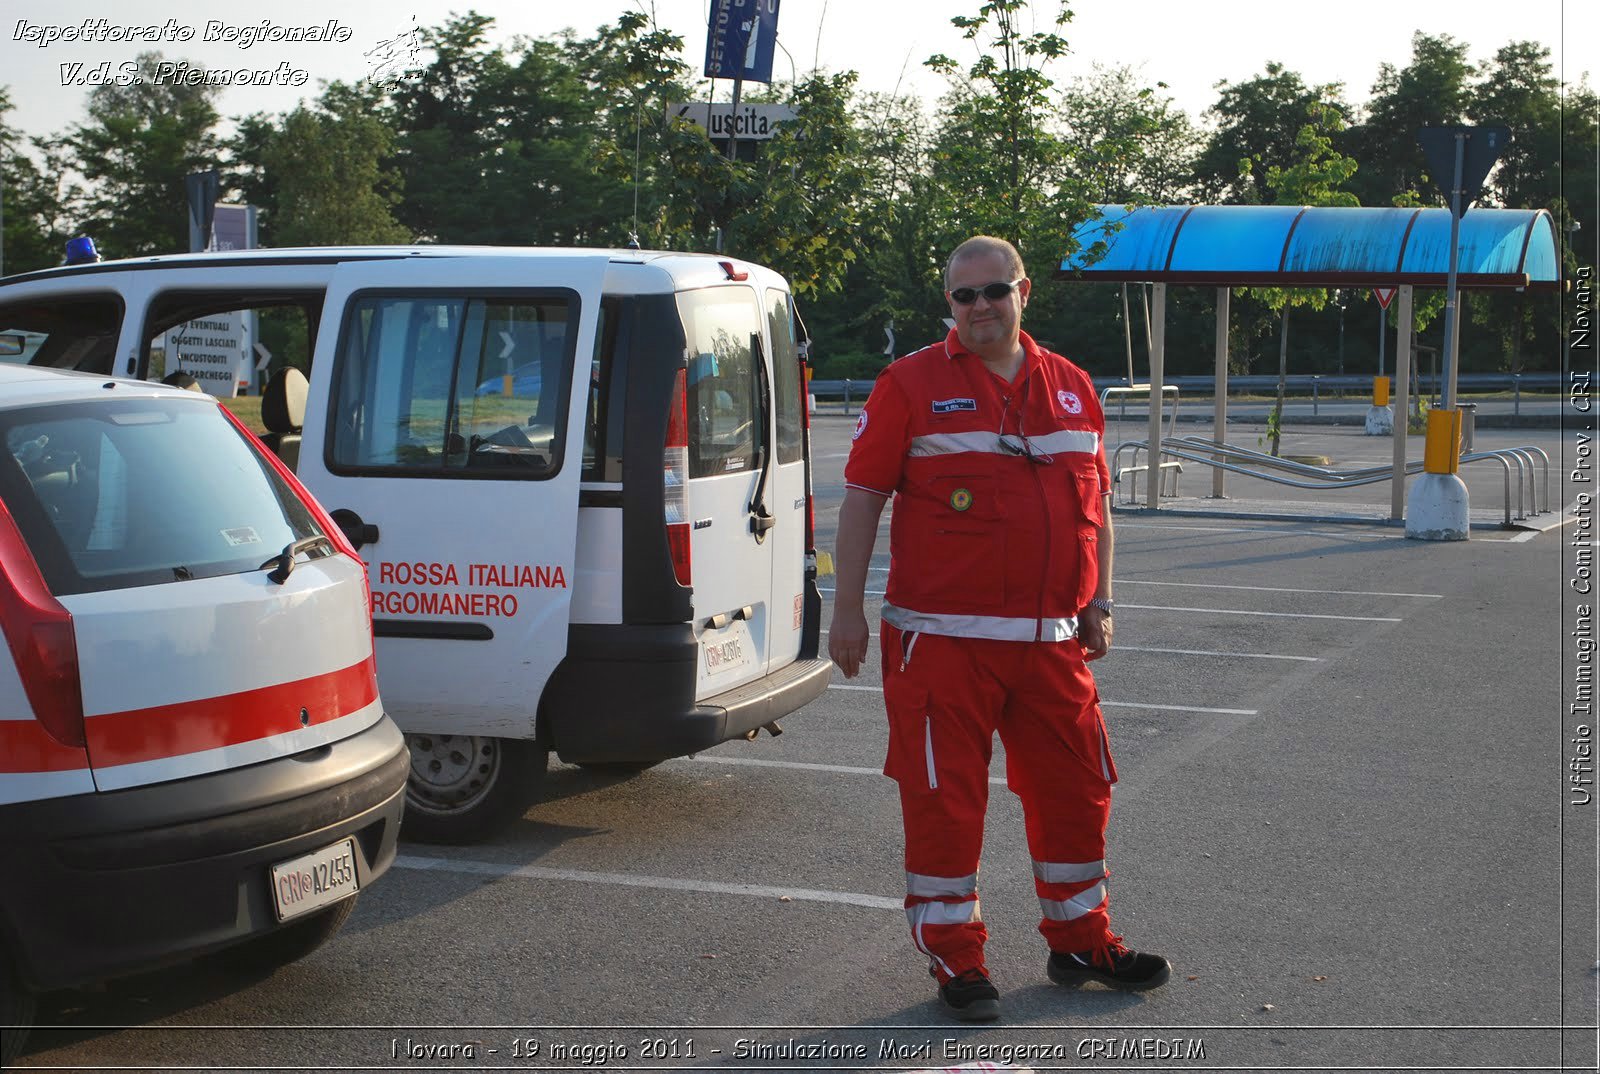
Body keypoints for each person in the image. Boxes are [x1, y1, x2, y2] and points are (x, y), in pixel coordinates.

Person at [829, 236, 1170, 1022]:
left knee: (1076, 792)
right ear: (948, 304)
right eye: (963, 296)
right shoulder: (909, 384)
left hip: (1052, 645)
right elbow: (861, 500)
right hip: (940, 645)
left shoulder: (1074, 387)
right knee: (946, 802)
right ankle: (957, 957)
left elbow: (1099, 510)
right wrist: (846, 610)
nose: (980, 307)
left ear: (1024, 292)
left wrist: (1102, 600)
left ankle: (1082, 939)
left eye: (994, 292)